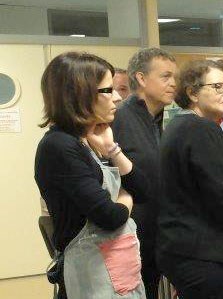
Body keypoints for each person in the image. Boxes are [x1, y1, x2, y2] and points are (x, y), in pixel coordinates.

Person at [35, 52, 141, 299]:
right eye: (107, 91)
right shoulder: (59, 146)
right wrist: (125, 197)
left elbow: (143, 190)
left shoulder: (88, 140)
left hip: (115, 272)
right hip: (90, 277)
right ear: (78, 95)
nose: (116, 98)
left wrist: (113, 150)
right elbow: (110, 215)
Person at [157, 59, 223, 298]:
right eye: (217, 87)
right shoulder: (201, 129)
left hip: (179, 248)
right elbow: (220, 193)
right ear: (192, 93)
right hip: (200, 251)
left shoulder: (177, 126)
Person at [111, 47, 177, 296]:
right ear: (140, 78)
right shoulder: (119, 119)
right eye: (165, 76)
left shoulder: (159, 121)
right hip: (128, 238)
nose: (173, 84)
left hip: (158, 238)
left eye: (174, 77)